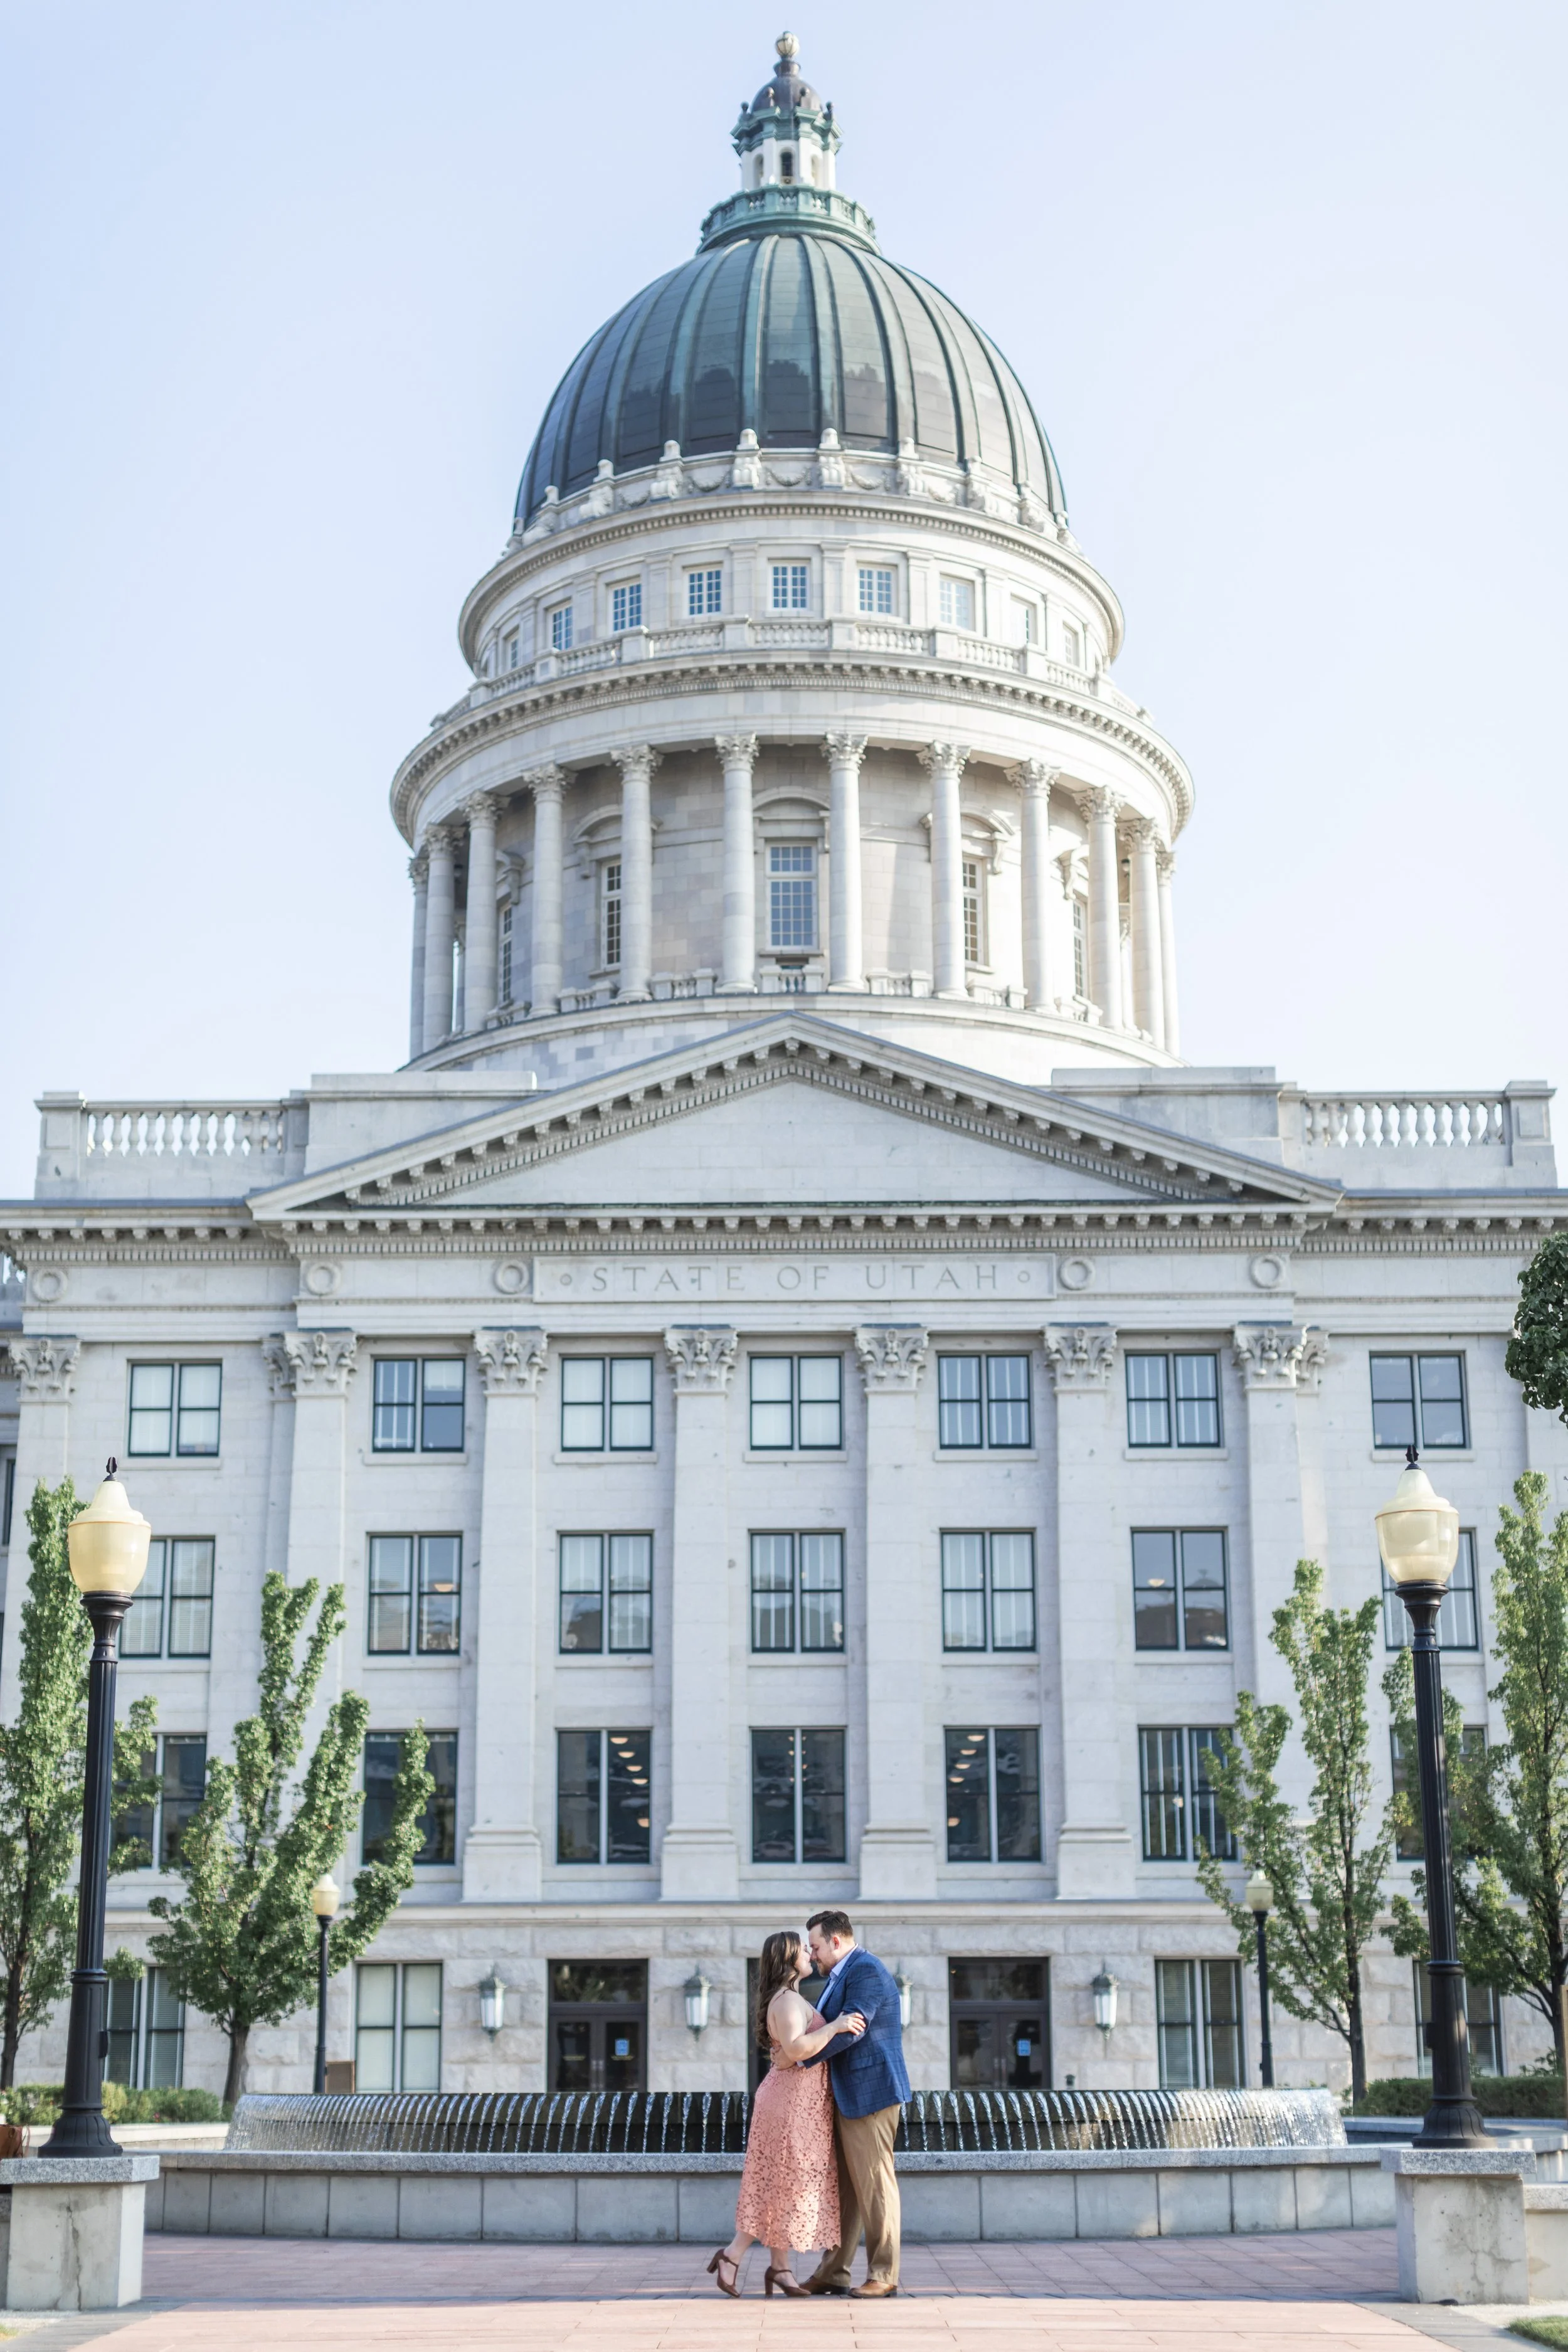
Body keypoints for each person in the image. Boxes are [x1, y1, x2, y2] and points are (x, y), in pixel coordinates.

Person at [707, 1927, 866, 2299]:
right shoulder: (787, 2001)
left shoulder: (789, 1998)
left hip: (796, 2101)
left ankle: (780, 2268)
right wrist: (838, 2025)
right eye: (803, 1951)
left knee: (780, 2182)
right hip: (790, 2104)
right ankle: (732, 2255)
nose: (811, 1955)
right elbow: (796, 2050)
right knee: (783, 2184)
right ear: (788, 1959)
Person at [798, 1907, 911, 2300]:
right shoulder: (842, 1973)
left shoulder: (865, 1969)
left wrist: (801, 2058)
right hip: (850, 2096)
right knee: (846, 2190)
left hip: (871, 2093)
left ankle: (884, 2273)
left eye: (815, 1947)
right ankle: (833, 2273)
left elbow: (854, 2027)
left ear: (835, 1940)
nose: (812, 1955)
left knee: (876, 2184)